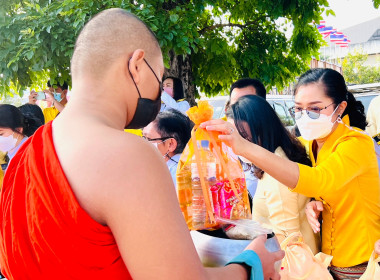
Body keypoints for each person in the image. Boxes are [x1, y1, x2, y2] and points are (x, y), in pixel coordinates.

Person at [0, 9, 283, 280]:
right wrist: (250, 265)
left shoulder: (24, 154)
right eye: (158, 79)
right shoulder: (127, 155)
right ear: (136, 65)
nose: (159, 94)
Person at [201, 68, 380, 279]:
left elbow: (318, 180)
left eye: (314, 109)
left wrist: (244, 147)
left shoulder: (356, 143)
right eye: (298, 109)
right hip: (328, 260)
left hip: (361, 260)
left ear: (340, 108)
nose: (305, 117)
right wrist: (314, 203)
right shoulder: (309, 144)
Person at [226, 95, 319, 253]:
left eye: (245, 138)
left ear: (263, 130)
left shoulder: (276, 174)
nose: (238, 145)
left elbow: (288, 238)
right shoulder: (280, 156)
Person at [143, 109, 192, 187]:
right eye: (143, 138)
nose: (143, 143)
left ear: (170, 144)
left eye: (148, 139)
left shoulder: (176, 174)